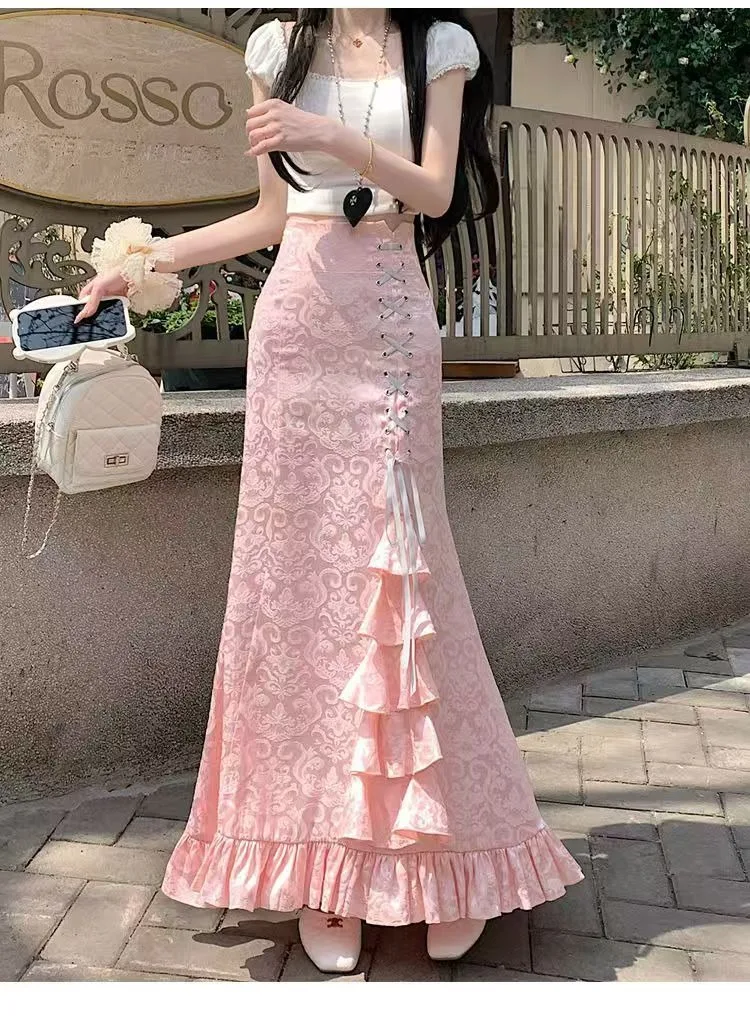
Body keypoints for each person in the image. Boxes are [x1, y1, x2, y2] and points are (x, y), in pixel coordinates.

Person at [76, 8, 583, 974]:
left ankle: (448, 859)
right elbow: (271, 216)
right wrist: (138, 266)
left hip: (389, 322)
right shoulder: (278, 47)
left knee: (406, 583)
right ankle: (323, 870)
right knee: (299, 597)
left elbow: (434, 191)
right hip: (298, 327)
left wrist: (331, 137)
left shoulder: (439, 47)